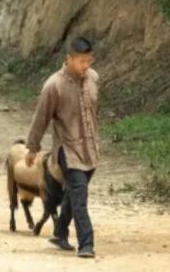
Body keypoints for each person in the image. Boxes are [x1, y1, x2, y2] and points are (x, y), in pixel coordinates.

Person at [25, 37, 100, 259]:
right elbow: (41, 118)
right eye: (81, 61)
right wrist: (32, 147)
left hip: (91, 149)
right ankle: (86, 244)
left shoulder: (94, 78)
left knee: (75, 194)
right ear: (69, 59)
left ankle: (59, 232)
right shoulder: (54, 85)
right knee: (80, 195)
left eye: (89, 60)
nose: (86, 66)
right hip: (68, 150)